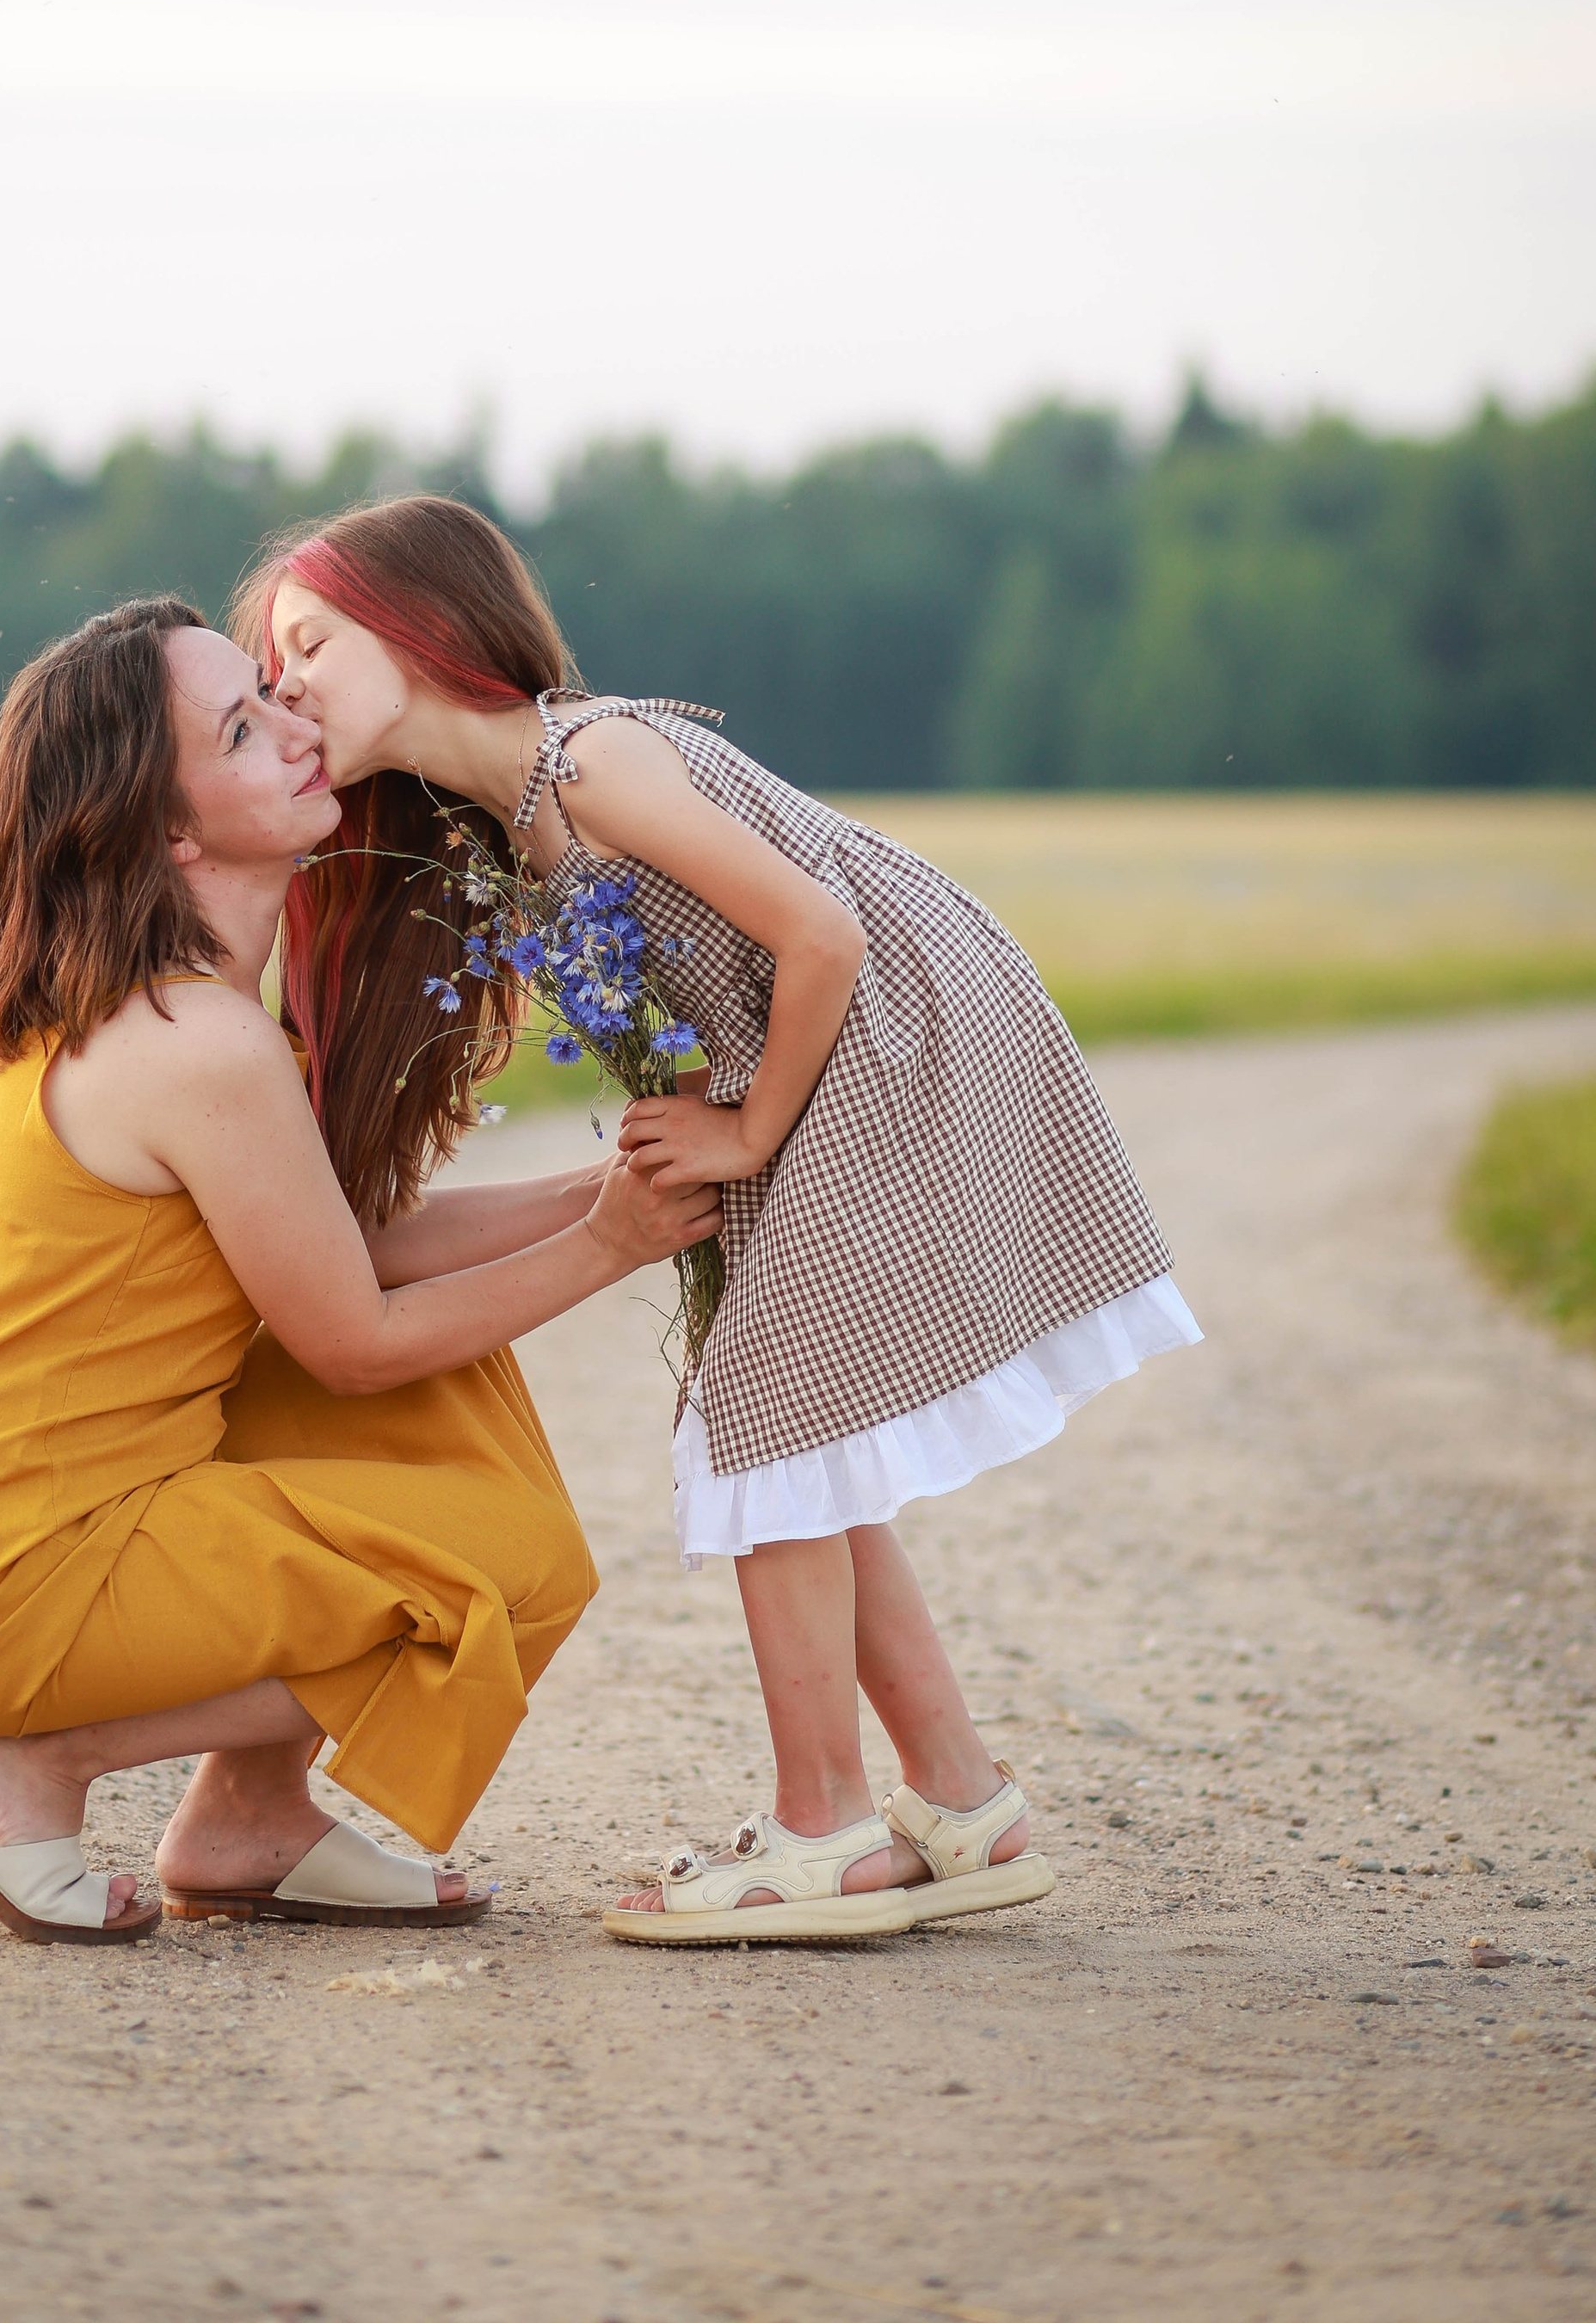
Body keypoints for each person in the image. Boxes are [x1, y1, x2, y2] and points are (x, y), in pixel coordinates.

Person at [242, 497, 1202, 1948]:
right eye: (269, 663)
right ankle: (960, 1799)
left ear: (422, 623)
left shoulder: (592, 759)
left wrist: (746, 1130)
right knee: (793, 1423)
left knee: (766, 1421)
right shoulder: (505, 823)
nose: (286, 681)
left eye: (309, 641)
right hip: (825, 1052)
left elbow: (823, 932)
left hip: (893, 1036)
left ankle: (822, 1829)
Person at [0, 596, 719, 1945]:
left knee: (449, 1410)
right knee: (510, 1568)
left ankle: (249, 1819)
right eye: (244, 730)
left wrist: (612, 1186)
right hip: (3, 1577)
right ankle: (48, 1761)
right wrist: (612, 1247)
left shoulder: (156, 1004)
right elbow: (352, 1337)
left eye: (266, 692)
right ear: (170, 831)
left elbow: (346, 1251)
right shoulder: (195, 1041)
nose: (297, 728)